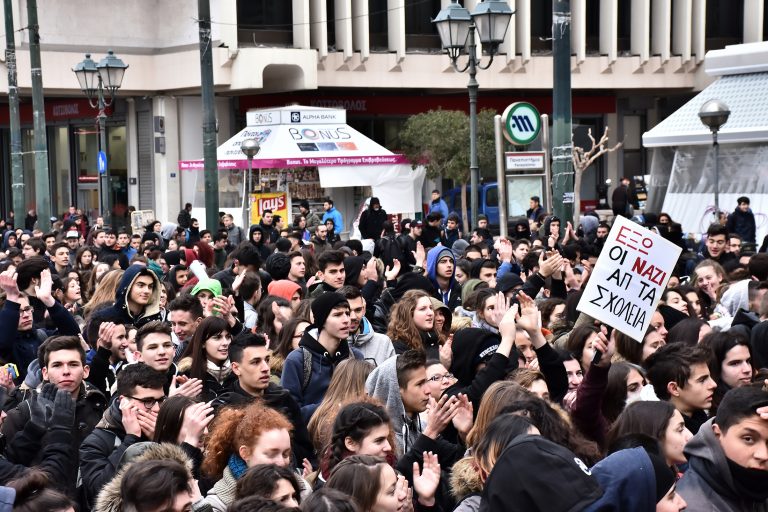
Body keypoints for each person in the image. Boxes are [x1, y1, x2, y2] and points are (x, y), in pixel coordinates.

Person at [213, 331, 315, 466]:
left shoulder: (283, 399)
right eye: (255, 362)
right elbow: (217, 460)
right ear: (236, 368)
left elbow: (305, 450)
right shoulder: (225, 407)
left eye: (267, 360)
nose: (266, 368)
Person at [1, 336, 107, 463]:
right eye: (57, 365)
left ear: (85, 371)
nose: (66, 371)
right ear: (45, 373)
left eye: (73, 364)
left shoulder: (98, 405)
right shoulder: (22, 414)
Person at [79, 362, 168, 508]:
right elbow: (97, 492)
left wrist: (160, 441)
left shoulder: (166, 427)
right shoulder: (96, 442)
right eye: (148, 401)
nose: (157, 409)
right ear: (123, 402)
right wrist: (131, 440)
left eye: (161, 400)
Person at [677, 386, 768, 510]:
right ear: (717, 434)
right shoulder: (690, 505)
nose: (763, 455)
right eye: (748, 439)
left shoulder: (752, 482)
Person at [281, 292, 363, 422]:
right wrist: (334, 407)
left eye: (347, 313)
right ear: (322, 320)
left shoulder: (355, 356)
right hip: (310, 438)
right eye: (337, 315)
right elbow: (289, 412)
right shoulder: (297, 359)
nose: (347, 319)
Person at [202, 401, 293, 511]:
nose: (281, 462)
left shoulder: (302, 488)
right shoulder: (217, 504)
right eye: (271, 454)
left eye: (285, 454)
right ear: (245, 453)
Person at [644, 343, 717, 435]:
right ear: (674, 388)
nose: (713, 384)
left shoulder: (702, 420)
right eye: (702, 380)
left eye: (709, 377)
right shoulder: (665, 436)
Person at [89, 263, 163, 329]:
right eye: (140, 285)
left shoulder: (156, 318)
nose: (147, 291)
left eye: (150, 286)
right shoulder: (104, 318)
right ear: (128, 286)